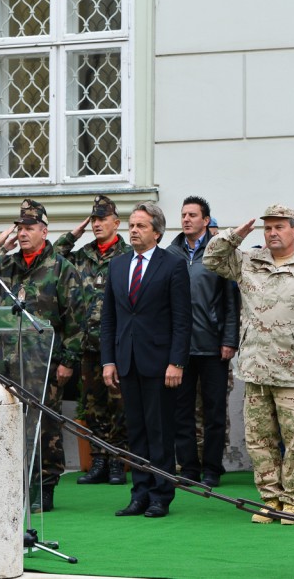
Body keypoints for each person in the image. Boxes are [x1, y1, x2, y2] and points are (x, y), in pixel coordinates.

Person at [204, 205, 294, 524]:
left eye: (279, 227)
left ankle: (292, 501)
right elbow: (211, 259)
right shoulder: (249, 261)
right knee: (259, 440)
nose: (272, 233)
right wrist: (234, 235)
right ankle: (270, 499)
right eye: (268, 228)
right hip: (256, 369)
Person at [0, 199, 83, 512]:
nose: (23, 233)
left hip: (44, 365)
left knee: (44, 428)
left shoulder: (61, 268)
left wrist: (68, 361)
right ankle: (12, 486)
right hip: (7, 363)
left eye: (30, 228)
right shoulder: (6, 265)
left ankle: (44, 487)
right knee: (9, 426)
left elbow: (76, 319)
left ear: (44, 231)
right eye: (19, 228)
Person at [101, 201, 191, 519]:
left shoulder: (173, 265)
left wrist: (177, 362)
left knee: (160, 431)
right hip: (127, 361)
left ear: (157, 232)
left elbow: (182, 319)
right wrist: (108, 360)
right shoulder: (117, 265)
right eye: (132, 225)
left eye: (141, 226)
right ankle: (139, 493)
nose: (134, 231)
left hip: (160, 363)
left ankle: (160, 495)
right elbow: (109, 318)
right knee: (136, 430)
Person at [54, 195, 133, 486]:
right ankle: (98, 458)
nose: (97, 224)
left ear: (116, 223)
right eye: (94, 220)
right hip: (87, 345)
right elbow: (53, 257)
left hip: (117, 344)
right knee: (93, 403)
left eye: (103, 219)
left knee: (119, 403)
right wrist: (73, 234)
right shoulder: (82, 255)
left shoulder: (127, 255)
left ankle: (117, 460)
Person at [166, 196, 239, 489]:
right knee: (180, 410)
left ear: (206, 221)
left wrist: (229, 339)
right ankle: (188, 468)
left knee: (214, 411)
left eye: (192, 215)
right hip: (180, 348)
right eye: (183, 214)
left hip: (213, 345)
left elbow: (231, 302)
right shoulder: (171, 254)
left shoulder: (218, 254)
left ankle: (212, 468)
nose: (186, 219)